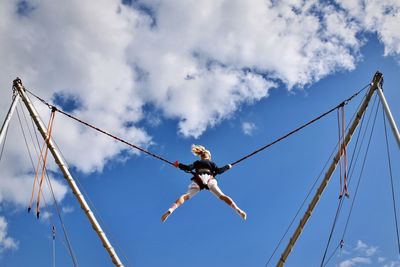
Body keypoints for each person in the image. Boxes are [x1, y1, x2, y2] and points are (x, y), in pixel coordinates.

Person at [161, 144, 247, 222]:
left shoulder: (197, 162)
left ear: (201, 156)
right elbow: (219, 171)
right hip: (210, 179)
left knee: (185, 196)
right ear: (209, 156)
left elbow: (188, 168)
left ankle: (171, 210)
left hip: (198, 179)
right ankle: (237, 209)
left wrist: (179, 164)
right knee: (223, 196)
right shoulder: (211, 163)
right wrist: (228, 166)